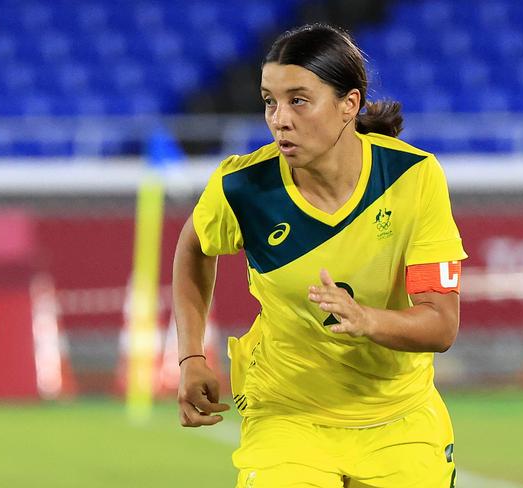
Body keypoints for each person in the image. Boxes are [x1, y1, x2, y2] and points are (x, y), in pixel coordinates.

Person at [173, 23, 467, 488]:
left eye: (299, 100)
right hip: (288, 414)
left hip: (399, 416)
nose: (279, 118)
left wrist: (368, 320)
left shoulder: (413, 179)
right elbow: (193, 246)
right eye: (270, 100)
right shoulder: (242, 187)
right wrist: (191, 356)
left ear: (349, 104)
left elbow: (441, 324)